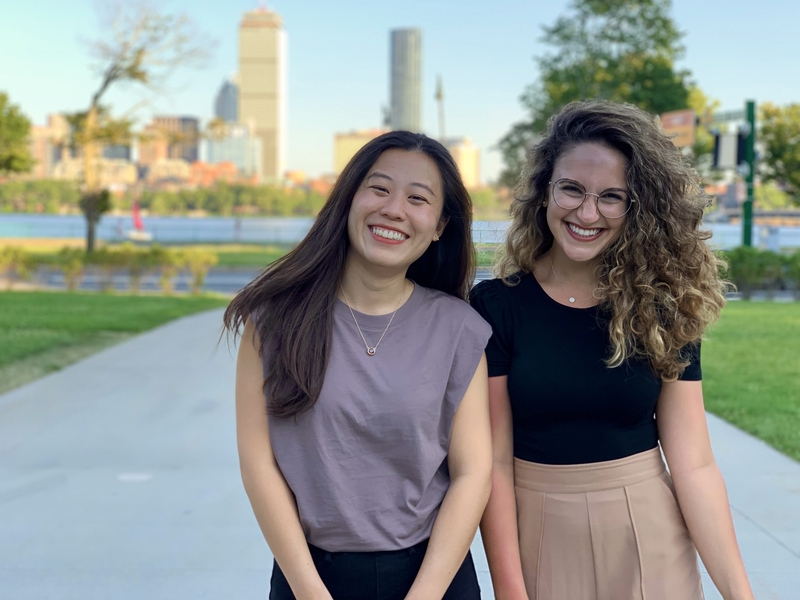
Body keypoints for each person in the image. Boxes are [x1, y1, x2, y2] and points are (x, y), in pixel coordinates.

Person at [471, 101, 754, 600]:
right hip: (538, 534)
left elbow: (694, 465)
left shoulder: (665, 308)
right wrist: (510, 591)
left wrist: (740, 593)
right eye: (572, 188)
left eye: (612, 197)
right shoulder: (496, 306)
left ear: (637, 207)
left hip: (647, 534)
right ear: (544, 192)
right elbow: (492, 466)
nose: (587, 212)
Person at [225, 131, 493, 600]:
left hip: (433, 577)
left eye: (417, 198)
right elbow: (258, 463)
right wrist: (308, 589)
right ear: (349, 200)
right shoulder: (273, 319)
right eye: (379, 188)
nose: (394, 209)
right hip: (309, 577)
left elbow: (473, 472)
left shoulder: (459, 328)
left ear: (438, 227)